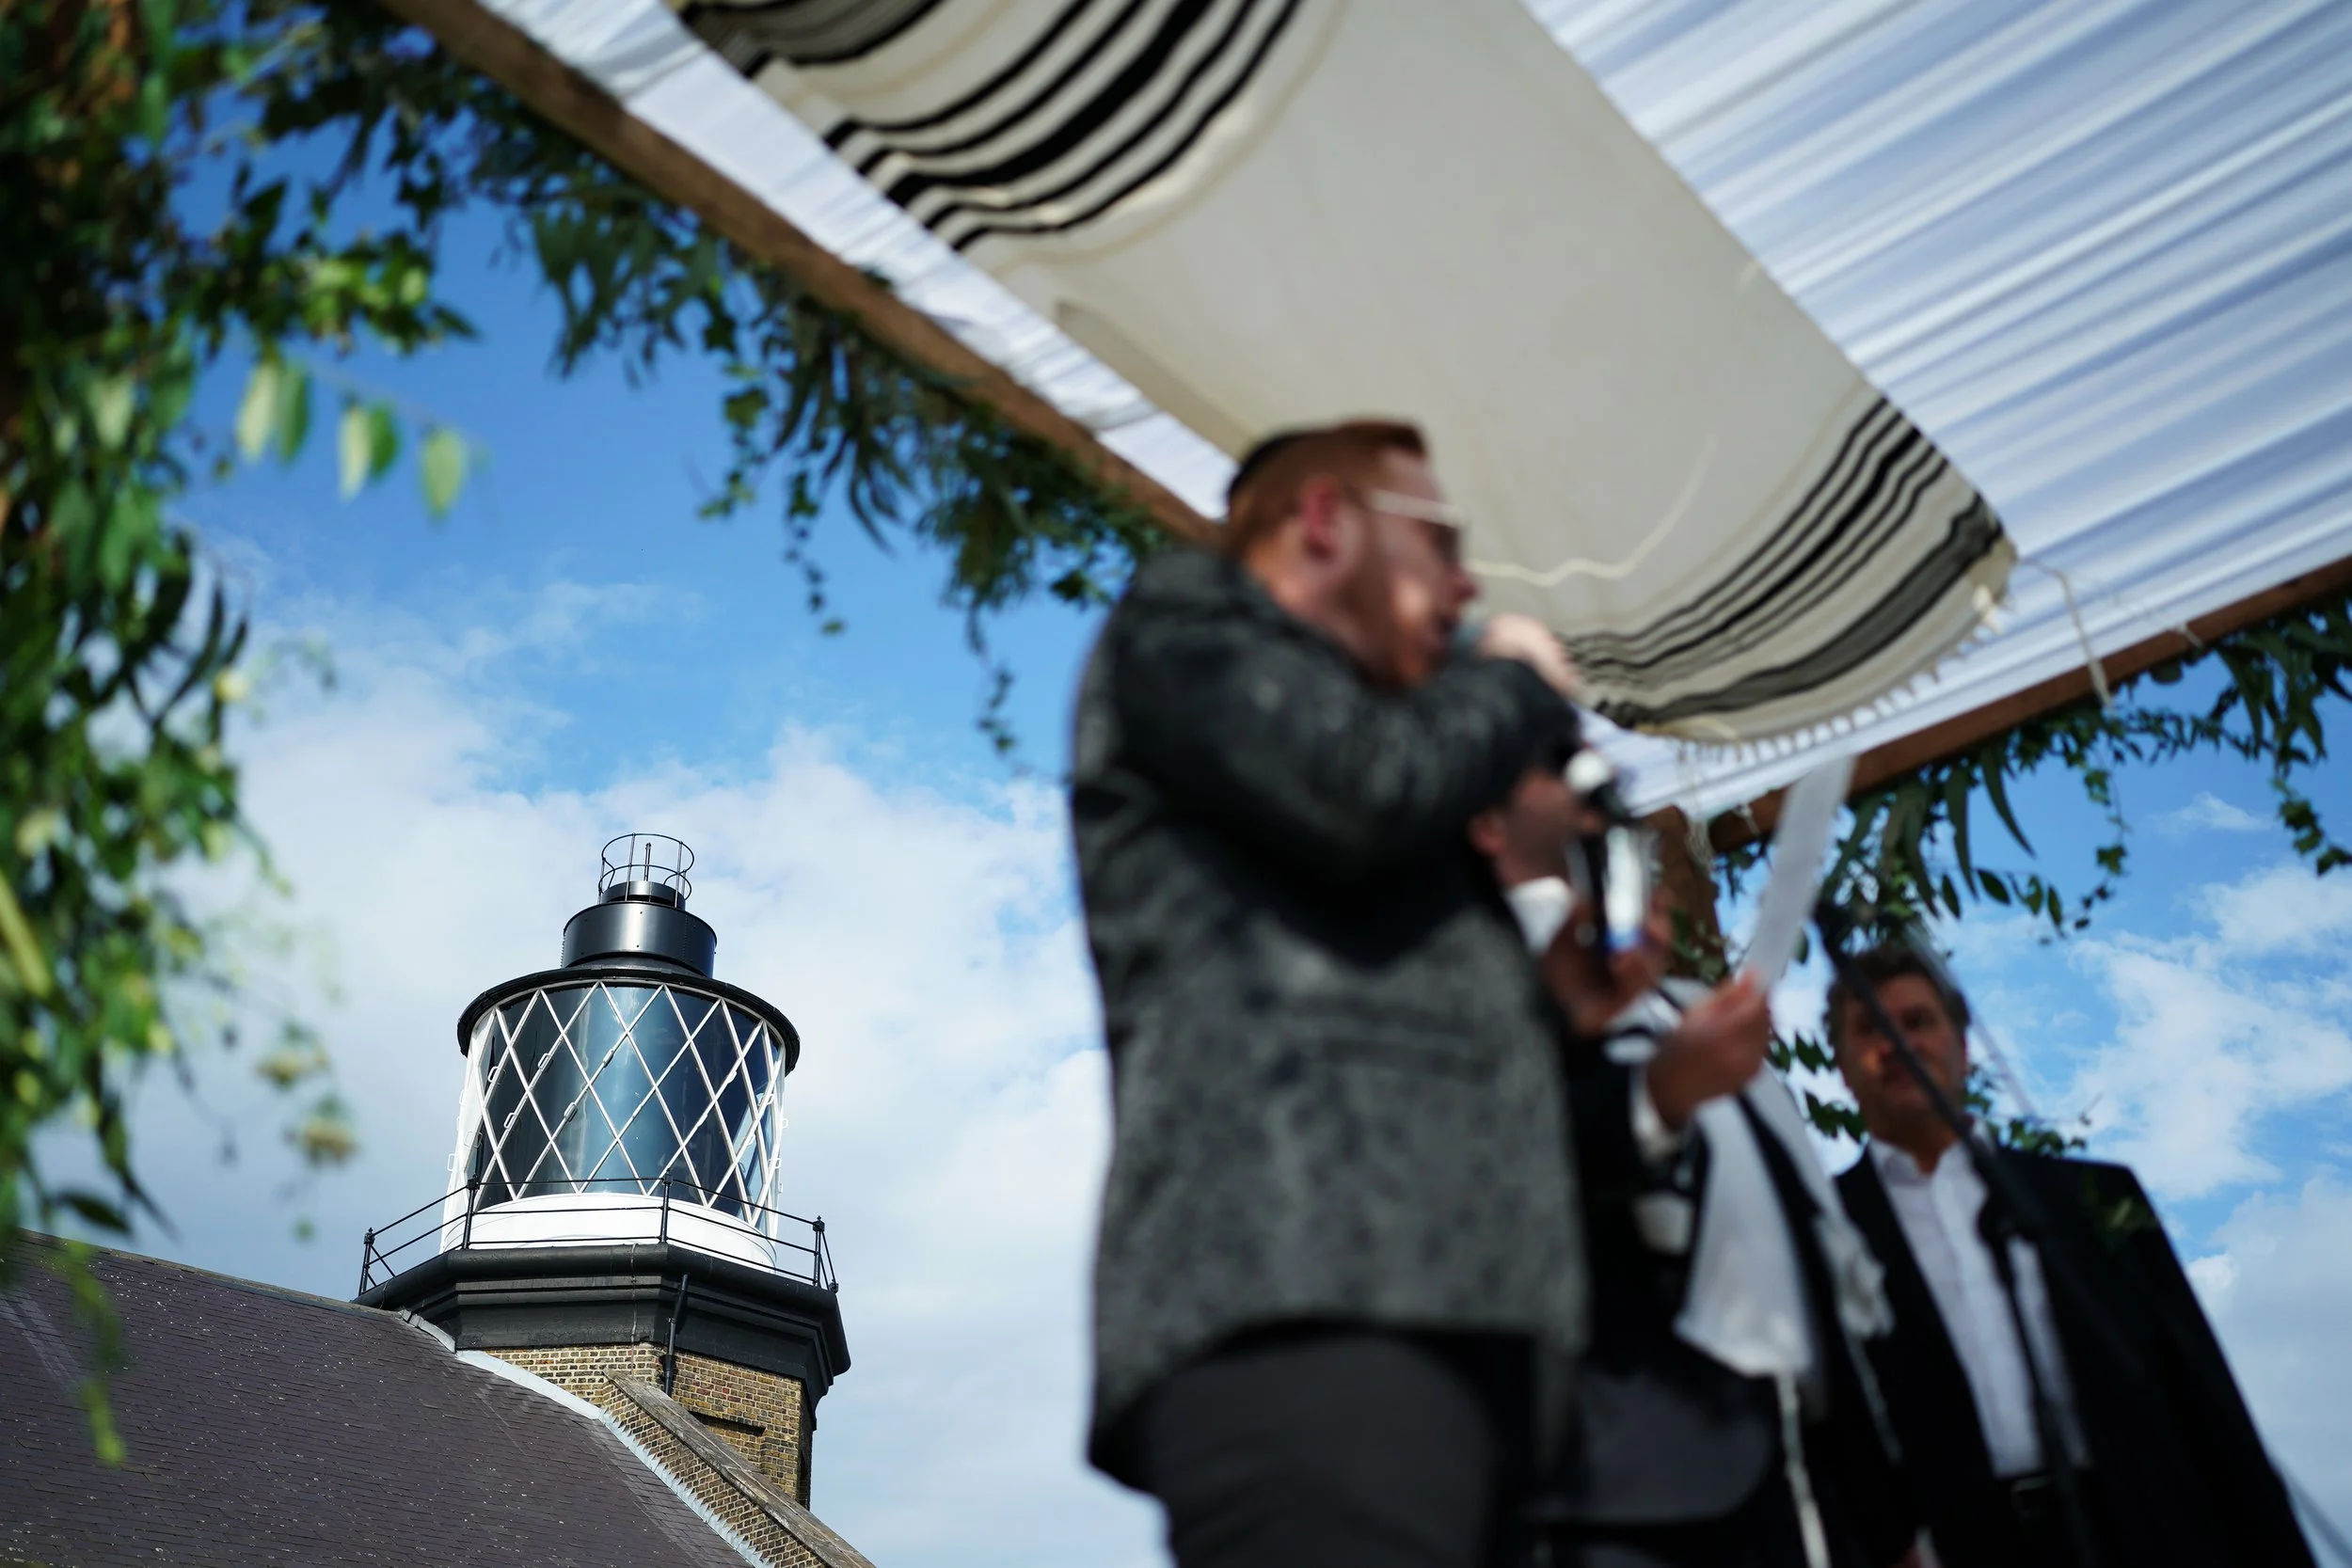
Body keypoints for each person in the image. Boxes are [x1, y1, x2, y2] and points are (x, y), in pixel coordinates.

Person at [1070, 420, 1590, 1568]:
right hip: (1308, 1310)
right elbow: (1354, 789)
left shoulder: (1397, 741)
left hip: (1479, 1345)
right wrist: (1513, 682)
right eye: (1441, 543)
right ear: (1323, 521)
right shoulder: (1185, 620)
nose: (1463, 584)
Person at [1470, 768, 1917, 1568]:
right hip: (1627, 1508)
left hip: (1807, 1495)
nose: (1586, 775)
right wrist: (1655, 1096)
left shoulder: (1696, 1015)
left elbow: (1806, 1257)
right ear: (1485, 825)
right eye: (1544, 760)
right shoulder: (1468, 1011)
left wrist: (1889, 1523)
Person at [1827, 944, 2316, 1568]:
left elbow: (2204, 1396)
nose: (1897, 1042)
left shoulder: (2099, 1196)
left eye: (1918, 1020)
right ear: (1841, 1063)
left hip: (2141, 1535)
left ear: (1964, 1045)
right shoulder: (1819, 1226)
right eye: (1870, 1027)